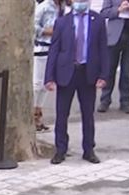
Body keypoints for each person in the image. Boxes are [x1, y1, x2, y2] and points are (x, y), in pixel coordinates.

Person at [45, 0, 109, 165]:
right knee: (62, 114)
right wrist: (49, 77)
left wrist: (104, 75)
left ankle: (89, 149)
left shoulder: (98, 20)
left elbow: (103, 48)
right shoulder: (62, 22)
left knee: (88, 114)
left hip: (88, 72)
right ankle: (60, 149)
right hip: (67, 72)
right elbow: (54, 50)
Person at [34, 0, 65, 131]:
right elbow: (32, 25)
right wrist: (47, 32)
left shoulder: (63, 7)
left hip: (55, 49)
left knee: (47, 84)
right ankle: (32, 115)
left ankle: (38, 115)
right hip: (42, 48)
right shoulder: (44, 7)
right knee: (37, 84)